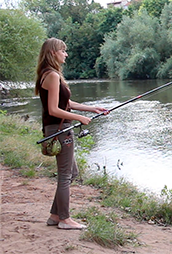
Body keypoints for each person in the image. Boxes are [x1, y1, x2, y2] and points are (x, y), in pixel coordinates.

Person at [34, 38, 109, 230]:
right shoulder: (51, 75)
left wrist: (92, 109)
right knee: (65, 176)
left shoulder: (51, 74)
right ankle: (65, 220)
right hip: (60, 131)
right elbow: (53, 109)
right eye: (63, 51)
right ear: (53, 53)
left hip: (58, 129)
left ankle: (55, 215)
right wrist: (79, 118)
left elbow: (65, 104)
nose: (65, 54)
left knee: (72, 173)